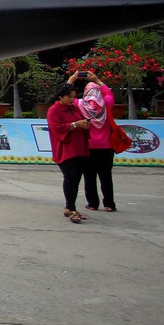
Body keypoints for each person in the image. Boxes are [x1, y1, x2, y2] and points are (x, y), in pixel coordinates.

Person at [46, 82, 90, 224]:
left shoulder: (75, 109)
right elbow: (57, 128)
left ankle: (69, 206)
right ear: (61, 96)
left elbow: (81, 122)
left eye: (73, 96)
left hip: (78, 147)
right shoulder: (54, 110)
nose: (72, 99)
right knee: (70, 177)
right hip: (65, 148)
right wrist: (75, 124)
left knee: (76, 178)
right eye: (69, 97)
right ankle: (71, 208)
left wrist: (84, 124)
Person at [72, 72, 117, 212]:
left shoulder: (78, 104)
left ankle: (92, 203)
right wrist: (98, 81)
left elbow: (66, 96)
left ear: (85, 93)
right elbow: (109, 94)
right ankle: (109, 204)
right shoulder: (106, 104)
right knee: (106, 177)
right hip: (106, 147)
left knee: (89, 177)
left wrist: (71, 80)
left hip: (88, 147)